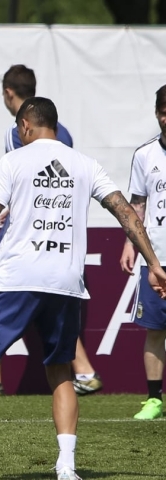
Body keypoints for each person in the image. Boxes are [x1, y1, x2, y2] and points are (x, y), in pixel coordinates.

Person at [0, 97, 166, 480]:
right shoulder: (86, 164)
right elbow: (126, 212)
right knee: (61, 373)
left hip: (16, 279)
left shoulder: (14, 160)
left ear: (24, 126)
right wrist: (153, 263)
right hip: (66, 283)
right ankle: (66, 467)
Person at [0, 64, 102, 398]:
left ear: (10, 94)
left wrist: (6, 208)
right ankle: (85, 371)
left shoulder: (14, 134)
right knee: (51, 303)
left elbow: (24, 180)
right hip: (62, 234)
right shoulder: (62, 131)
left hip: (27, 232)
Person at [120, 84, 166, 420]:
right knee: (155, 329)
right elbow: (137, 205)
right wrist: (129, 243)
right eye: (163, 111)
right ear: (157, 114)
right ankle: (154, 399)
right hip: (156, 257)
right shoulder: (144, 155)